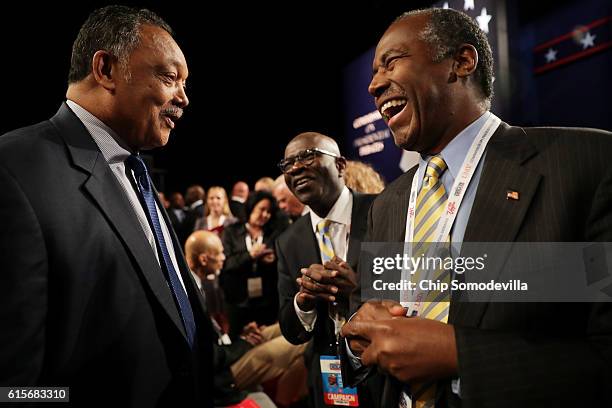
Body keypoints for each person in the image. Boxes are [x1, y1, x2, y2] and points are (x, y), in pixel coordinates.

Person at [340, 8, 612, 407]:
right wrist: (355, 343)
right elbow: (369, 321)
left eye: (391, 62)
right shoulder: (388, 204)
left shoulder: (588, 165)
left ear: (461, 62)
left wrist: (460, 355)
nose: (374, 85)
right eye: (372, 73)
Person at [0, 5, 215, 407]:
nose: (183, 98)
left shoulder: (134, 169)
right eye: (170, 78)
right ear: (106, 69)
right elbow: (13, 386)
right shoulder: (13, 169)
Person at [276, 132, 378, 408]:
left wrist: (356, 291)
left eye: (308, 155)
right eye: (288, 164)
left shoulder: (382, 211)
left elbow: (414, 295)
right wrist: (303, 301)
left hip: (384, 372)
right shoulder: (288, 241)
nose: (296, 167)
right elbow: (290, 329)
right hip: (327, 380)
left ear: (341, 165)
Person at [185, 231, 307, 406]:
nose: (224, 257)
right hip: (220, 375)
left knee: (293, 327)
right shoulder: (190, 294)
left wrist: (241, 337)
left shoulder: (199, 285)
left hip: (226, 352)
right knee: (300, 343)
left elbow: (214, 337)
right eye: (219, 253)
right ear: (204, 260)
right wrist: (243, 343)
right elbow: (208, 355)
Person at [221, 191, 284, 337]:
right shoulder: (231, 232)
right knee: (238, 342)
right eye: (262, 209)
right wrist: (250, 255)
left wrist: (273, 261)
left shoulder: (273, 234)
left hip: (266, 302)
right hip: (237, 300)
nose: (265, 215)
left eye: (269, 211)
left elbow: (283, 265)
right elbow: (226, 264)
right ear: (251, 206)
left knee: (264, 341)